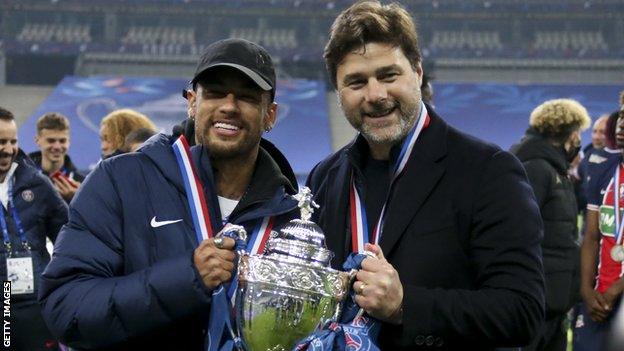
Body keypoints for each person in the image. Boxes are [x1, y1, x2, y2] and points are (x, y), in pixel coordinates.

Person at [306, 2, 545, 349]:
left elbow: (522, 313)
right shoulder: (325, 177)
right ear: (338, 91)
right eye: (356, 82)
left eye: (388, 76)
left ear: (417, 72)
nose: (375, 95)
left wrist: (407, 306)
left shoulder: (488, 170)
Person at [39, 39, 301, 350]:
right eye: (215, 93)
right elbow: (66, 308)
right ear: (192, 102)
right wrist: (188, 278)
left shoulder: (291, 213)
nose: (229, 106)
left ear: (270, 114)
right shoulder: (120, 181)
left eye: (246, 97)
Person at [510, 98, 591, 351]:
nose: (579, 140)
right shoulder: (536, 168)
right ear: (565, 133)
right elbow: (519, 233)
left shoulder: (556, 170)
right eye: (577, 132)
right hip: (537, 300)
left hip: (554, 299)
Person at [0, 107, 68, 350]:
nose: (7, 149)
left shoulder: (37, 184)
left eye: (12, 141)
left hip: (35, 303)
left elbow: (67, 237)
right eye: (1, 142)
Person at [576, 103, 624, 351]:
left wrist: (617, 288)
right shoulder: (602, 168)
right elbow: (592, 236)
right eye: (622, 115)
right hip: (599, 298)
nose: (621, 124)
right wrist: (586, 290)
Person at [28, 112, 84, 202]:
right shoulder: (19, 177)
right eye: (51, 141)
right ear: (37, 140)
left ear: (69, 141)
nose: (57, 147)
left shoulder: (82, 184)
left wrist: (78, 201)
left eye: (62, 141)